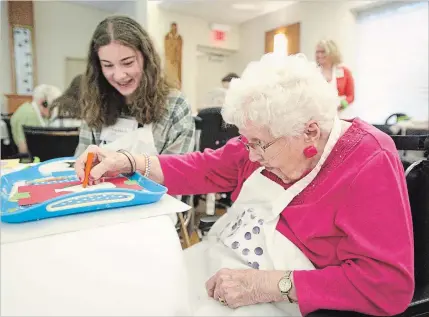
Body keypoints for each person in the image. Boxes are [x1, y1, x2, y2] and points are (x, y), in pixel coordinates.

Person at [75, 54, 414, 316]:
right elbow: (204, 168)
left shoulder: (368, 159)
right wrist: (130, 161)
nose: (249, 155)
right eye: (245, 140)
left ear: (310, 131)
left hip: (281, 298)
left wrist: (270, 285)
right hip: (218, 265)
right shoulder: (266, 135)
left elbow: (388, 287)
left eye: (258, 145)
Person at [74, 16, 195, 157]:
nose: (119, 75)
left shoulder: (175, 105)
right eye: (108, 65)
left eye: (128, 63)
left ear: (146, 57)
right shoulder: (95, 103)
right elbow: (81, 162)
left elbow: (177, 171)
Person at [11, 84, 62, 153]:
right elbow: (24, 149)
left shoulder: (35, 110)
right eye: (53, 107)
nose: (54, 111)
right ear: (43, 103)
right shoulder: (28, 115)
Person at [315, 39, 355, 114]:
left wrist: (341, 105)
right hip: (320, 114)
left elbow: (351, 96)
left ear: (332, 53)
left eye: (323, 52)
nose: (319, 55)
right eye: (317, 52)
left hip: (341, 114)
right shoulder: (313, 71)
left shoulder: (345, 71)